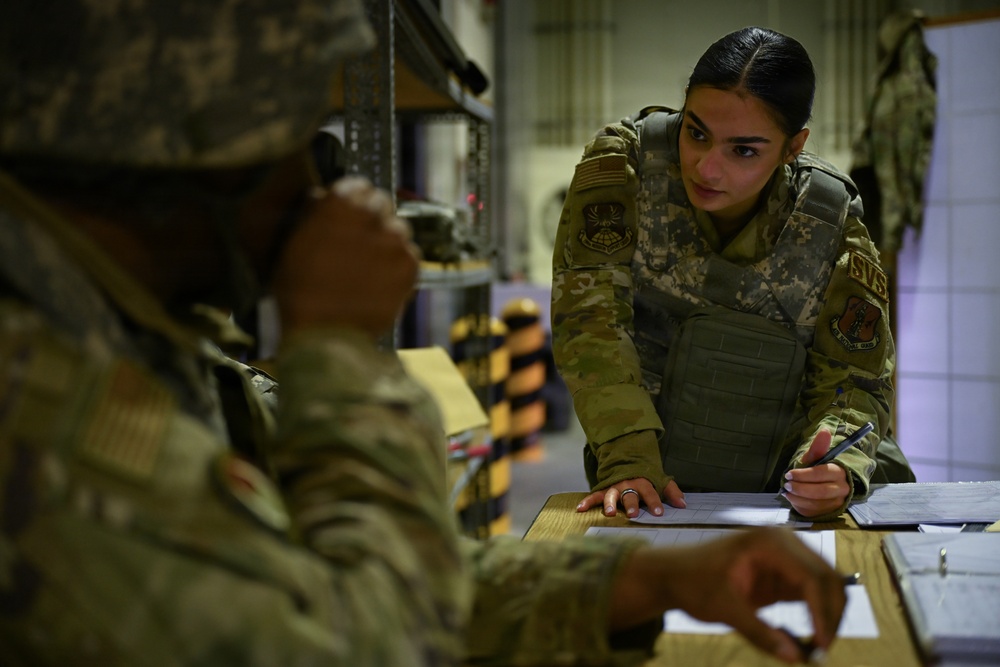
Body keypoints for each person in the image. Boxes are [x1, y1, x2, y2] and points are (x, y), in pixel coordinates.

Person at [0, 5, 846, 665]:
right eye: (288, 133)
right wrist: (333, 347)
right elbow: (375, 639)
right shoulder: (41, 404)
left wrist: (652, 577)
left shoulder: (135, 346)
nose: (318, 174)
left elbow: (395, 585)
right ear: (162, 148)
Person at [552, 26, 915, 522]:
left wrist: (835, 466)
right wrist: (627, 457)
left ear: (793, 147)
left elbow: (854, 378)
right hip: (653, 477)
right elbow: (589, 326)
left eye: (743, 150)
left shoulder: (829, 218)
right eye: (696, 132)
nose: (706, 167)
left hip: (783, 492)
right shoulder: (627, 166)